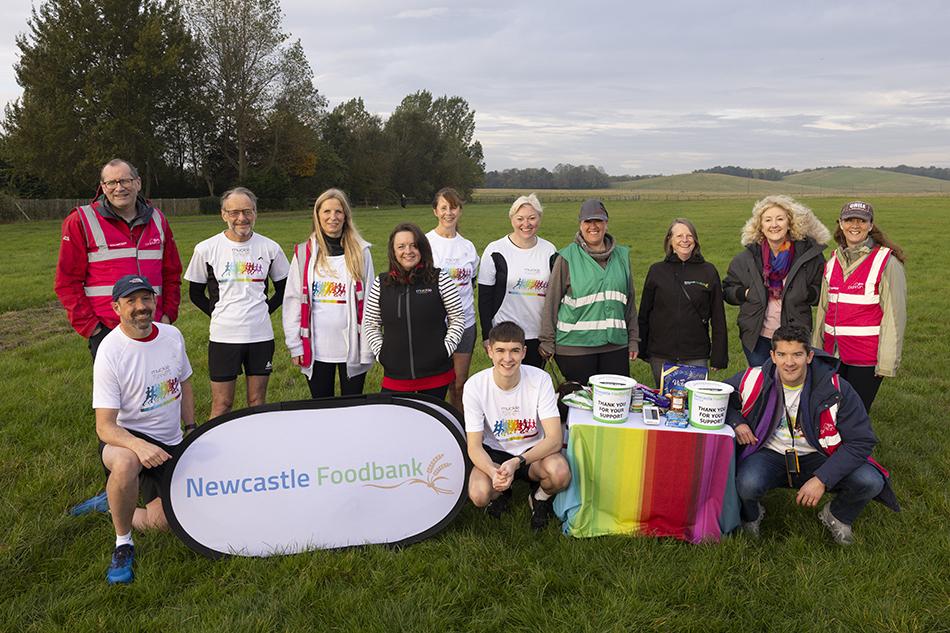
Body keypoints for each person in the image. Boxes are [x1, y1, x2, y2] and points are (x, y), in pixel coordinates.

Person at [725, 325, 898, 545]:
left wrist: (822, 478)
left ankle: (837, 515)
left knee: (870, 481)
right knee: (747, 483)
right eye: (782, 354)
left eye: (797, 354)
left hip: (819, 454)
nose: (789, 363)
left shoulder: (837, 387)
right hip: (770, 453)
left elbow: (861, 441)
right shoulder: (754, 379)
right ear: (772, 356)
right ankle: (751, 514)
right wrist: (737, 421)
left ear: (809, 356)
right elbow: (714, 395)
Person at [93, 275, 196, 583]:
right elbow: (104, 427)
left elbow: (186, 383)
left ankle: (110, 503)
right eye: (131, 301)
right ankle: (123, 542)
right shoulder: (110, 351)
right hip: (125, 441)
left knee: (164, 522)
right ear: (116, 307)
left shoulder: (172, 335)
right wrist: (138, 446)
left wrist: (191, 428)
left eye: (146, 299)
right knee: (126, 463)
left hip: (169, 442)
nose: (141, 307)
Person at [55, 158, 183, 360]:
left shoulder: (158, 219)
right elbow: (67, 281)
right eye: (111, 183)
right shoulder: (80, 221)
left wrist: (167, 315)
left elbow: (172, 273)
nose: (119, 188)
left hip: (154, 324)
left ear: (138, 183)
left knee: (160, 387)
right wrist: (92, 328)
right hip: (108, 329)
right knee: (116, 392)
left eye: (125, 181)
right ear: (103, 187)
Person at [185, 187, 289, 417]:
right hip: (224, 337)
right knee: (222, 405)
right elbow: (195, 293)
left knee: (257, 402)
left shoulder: (271, 248)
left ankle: (257, 449)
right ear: (223, 214)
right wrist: (218, 314)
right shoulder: (206, 249)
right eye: (234, 213)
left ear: (255, 213)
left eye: (247, 211)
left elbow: (284, 291)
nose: (241, 218)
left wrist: (262, 312)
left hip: (260, 337)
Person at [464, 321, 571, 530]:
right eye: (500, 351)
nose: (507, 358)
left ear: (523, 352)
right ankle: (502, 492)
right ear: (489, 352)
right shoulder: (475, 386)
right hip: (495, 453)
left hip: (532, 453)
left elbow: (554, 439)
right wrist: (493, 471)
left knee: (560, 474)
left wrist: (517, 462)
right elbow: (474, 446)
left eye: (514, 350)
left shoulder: (540, 379)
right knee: (479, 494)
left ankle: (539, 498)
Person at [812, 201, 907, 414]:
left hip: (865, 358)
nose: (855, 225)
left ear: (870, 225)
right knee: (831, 410)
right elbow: (823, 312)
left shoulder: (887, 262)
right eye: (849, 220)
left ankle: (859, 447)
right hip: (833, 354)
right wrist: (816, 351)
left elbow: (895, 316)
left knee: (855, 413)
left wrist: (887, 361)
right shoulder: (833, 260)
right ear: (841, 224)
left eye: (861, 221)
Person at [283, 189, 375, 398]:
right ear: (317, 215)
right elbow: (293, 301)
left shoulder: (361, 252)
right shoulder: (304, 253)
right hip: (317, 348)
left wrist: (368, 346)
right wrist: (295, 345)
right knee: (320, 407)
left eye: (338, 212)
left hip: (351, 348)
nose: (332, 217)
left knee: (352, 407)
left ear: (346, 216)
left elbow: (370, 302)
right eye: (326, 211)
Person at [539, 198, 639, 385]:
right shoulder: (567, 257)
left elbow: (630, 302)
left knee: (614, 404)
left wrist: (633, 339)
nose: (593, 226)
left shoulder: (622, 257)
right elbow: (551, 301)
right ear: (580, 225)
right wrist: (547, 341)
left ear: (606, 224)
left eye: (598, 221)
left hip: (614, 346)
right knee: (581, 407)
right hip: (575, 347)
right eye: (588, 221)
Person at [723, 195, 830, 367]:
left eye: (780, 219)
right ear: (760, 226)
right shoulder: (747, 257)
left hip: (794, 336)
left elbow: (824, 290)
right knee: (763, 384)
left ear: (790, 223)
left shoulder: (808, 256)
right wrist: (745, 293)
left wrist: (806, 292)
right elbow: (728, 289)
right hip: (757, 336)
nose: (774, 225)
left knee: (790, 384)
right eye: (768, 220)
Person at [363, 223, 464, 399]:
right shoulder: (382, 283)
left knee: (431, 423)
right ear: (393, 251)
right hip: (396, 376)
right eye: (401, 246)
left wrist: (444, 349)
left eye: (413, 245)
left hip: (436, 376)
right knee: (395, 423)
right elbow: (371, 323)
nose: (408, 251)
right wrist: (382, 353)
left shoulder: (440, 279)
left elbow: (457, 317)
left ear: (422, 248)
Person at [638, 218, 728, 387]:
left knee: (695, 403)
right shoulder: (656, 271)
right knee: (666, 403)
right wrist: (642, 349)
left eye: (689, 235)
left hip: (696, 355)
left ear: (695, 240)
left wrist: (718, 356)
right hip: (661, 354)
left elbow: (718, 317)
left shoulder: (708, 271)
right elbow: (644, 313)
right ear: (670, 241)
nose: (685, 240)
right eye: (679, 236)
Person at [477, 193, 557, 369]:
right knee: (506, 385)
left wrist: (549, 336)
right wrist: (486, 336)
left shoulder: (549, 250)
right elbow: (484, 299)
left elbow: (555, 297)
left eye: (532, 218)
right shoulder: (495, 250)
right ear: (512, 219)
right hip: (505, 335)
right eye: (520, 218)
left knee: (532, 386)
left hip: (537, 335)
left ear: (539, 219)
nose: (526, 224)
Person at [426, 187, 479, 409]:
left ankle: (459, 428)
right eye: (444, 208)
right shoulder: (425, 244)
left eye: (453, 207)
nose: (449, 213)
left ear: (460, 210)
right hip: (435, 326)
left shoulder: (468, 247)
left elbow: (472, 281)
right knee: (434, 384)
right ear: (435, 211)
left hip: (465, 323)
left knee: (459, 383)